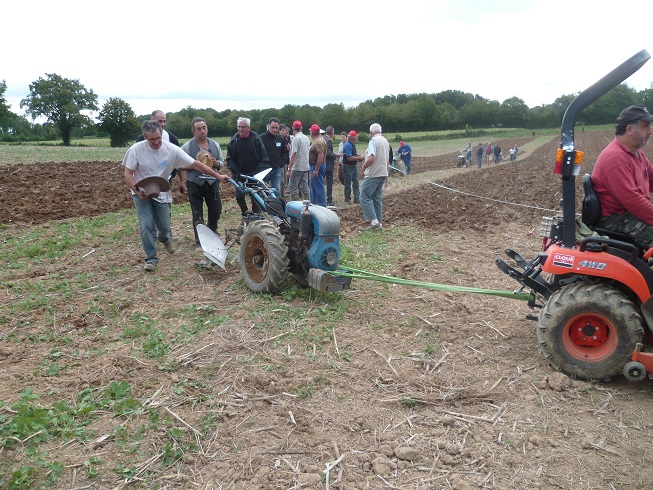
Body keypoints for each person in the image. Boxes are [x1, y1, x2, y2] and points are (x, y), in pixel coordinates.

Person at [124, 120, 228, 272]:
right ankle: (151, 259)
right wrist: (136, 190)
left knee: (164, 228)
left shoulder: (171, 149)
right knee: (146, 226)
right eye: (152, 139)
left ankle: (165, 239)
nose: (156, 142)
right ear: (145, 138)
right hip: (141, 192)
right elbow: (128, 173)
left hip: (161, 192)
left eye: (158, 138)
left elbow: (196, 164)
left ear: (161, 133)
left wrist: (217, 176)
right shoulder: (136, 150)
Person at [591, 105, 653, 248]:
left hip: (628, 213)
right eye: (645, 126)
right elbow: (632, 200)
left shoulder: (636, 153)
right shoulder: (614, 158)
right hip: (616, 219)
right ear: (630, 129)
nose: (650, 131)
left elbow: (651, 179)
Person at [180, 117, 224, 257]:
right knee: (197, 213)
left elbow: (222, 163)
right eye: (198, 129)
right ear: (193, 131)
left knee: (216, 211)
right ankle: (199, 242)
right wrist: (194, 166)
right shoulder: (187, 147)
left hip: (212, 183)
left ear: (207, 129)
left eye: (204, 128)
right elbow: (180, 165)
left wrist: (216, 164)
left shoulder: (215, 145)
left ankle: (211, 235)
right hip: (195, 183)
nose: (202, 131)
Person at [226, 117, 270, 215]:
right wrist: (236, 172)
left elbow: (264, 158)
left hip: (254, 175)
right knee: (239, 196)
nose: (241, 129)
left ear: (249, 128)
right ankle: (246, 214)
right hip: (240, 175)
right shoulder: (234, 141)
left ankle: (257, 215)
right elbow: (229, 159)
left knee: (255, 197)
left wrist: (256, 174)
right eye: (239, 127)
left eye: (243, 127)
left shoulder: (256, 140)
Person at [136, 110, 184, 191]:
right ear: (151, 121)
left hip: (166, 179)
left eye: (164, 121)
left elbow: (178, 160)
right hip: (145, 179)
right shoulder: (141, 139)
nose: (162, 124)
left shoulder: (172, 138)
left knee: (164, 203)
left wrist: (181, 181)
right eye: (160, 121)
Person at [360, 123, 390, 230]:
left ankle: (373, 221)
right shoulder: (385, 141)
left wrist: (364, 166)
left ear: (371, 133)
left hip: (374, 173)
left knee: (364, 195)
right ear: (380, 131)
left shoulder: (373, 141)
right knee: (376, 198)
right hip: (383, 172)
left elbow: (372, 158)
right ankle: (379, 222)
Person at [259, 117, 288, 193]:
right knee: (263, 190)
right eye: (273, 127)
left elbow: (284, 151)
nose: (275, 130)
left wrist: (281, 162)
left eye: (276, 128)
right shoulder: (261, 138)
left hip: (276, 169)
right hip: (264, 169)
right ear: (268, 126)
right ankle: (263, 204)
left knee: (276, 190)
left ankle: (276, 204)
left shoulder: (280, 138)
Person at [287, 120, 310, 201]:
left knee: (293, 187)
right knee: (305, 186)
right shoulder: (306, 138)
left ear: (293, 128)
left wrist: (289, 169)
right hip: (305, 166)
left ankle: (295, 206)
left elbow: (294, 154)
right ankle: (308, 204)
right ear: (301, 128)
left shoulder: (296, 139)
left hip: (297, 167)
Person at [342, 130, 364, 204]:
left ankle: (356, 198)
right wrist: (358, 158)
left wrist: (358, 156)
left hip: (353, 166)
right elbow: (349, 158)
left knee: (356, 182)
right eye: (356, 137)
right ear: (353, 138)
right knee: (348, 183)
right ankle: (347, 199)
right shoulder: (348, 145)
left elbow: (352, 156)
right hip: (348, 167)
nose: (356, 138)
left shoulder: (352, 144)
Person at [308, 124, 327, 206]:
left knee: (318, 186)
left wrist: (316, 170)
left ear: (312, 133)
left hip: (316, 166)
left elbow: (321, 156)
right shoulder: (320, 140)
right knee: (314, 187)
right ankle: (314, 203)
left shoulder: (318, 142)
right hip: (316, 166)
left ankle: (321, 205)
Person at [323, 126, 338, 206]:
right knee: (329, 183)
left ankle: (323, 198)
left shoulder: (323, 139)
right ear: (332, 132)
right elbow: (328, 153)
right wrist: (336, 155)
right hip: (328, 165)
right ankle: (329, 200)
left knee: (322, 182)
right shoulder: (328, 141)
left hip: (323, 164)